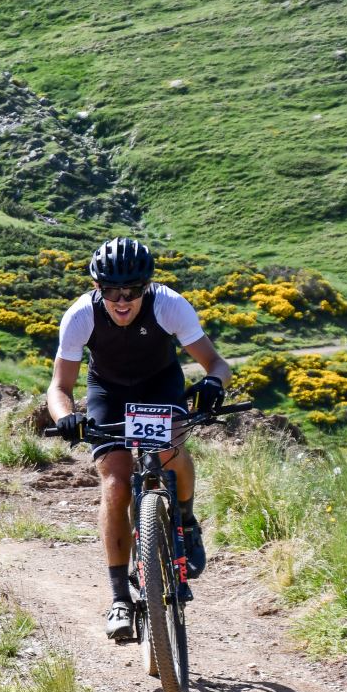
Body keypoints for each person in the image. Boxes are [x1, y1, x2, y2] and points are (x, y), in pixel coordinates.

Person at [47, 238, 231, 641]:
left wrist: (214, 383)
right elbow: (59, 387)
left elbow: (216, 363)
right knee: (115, 483)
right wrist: (66, 418)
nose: (122, 300)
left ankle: (186, 521)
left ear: (147, 287)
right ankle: (119, 598)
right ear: (97, 287)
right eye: (111, 291)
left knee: (170, 449)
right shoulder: (81, 315)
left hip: (159, 386)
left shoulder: (169, 305)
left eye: (132, 290)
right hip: (109, 393)